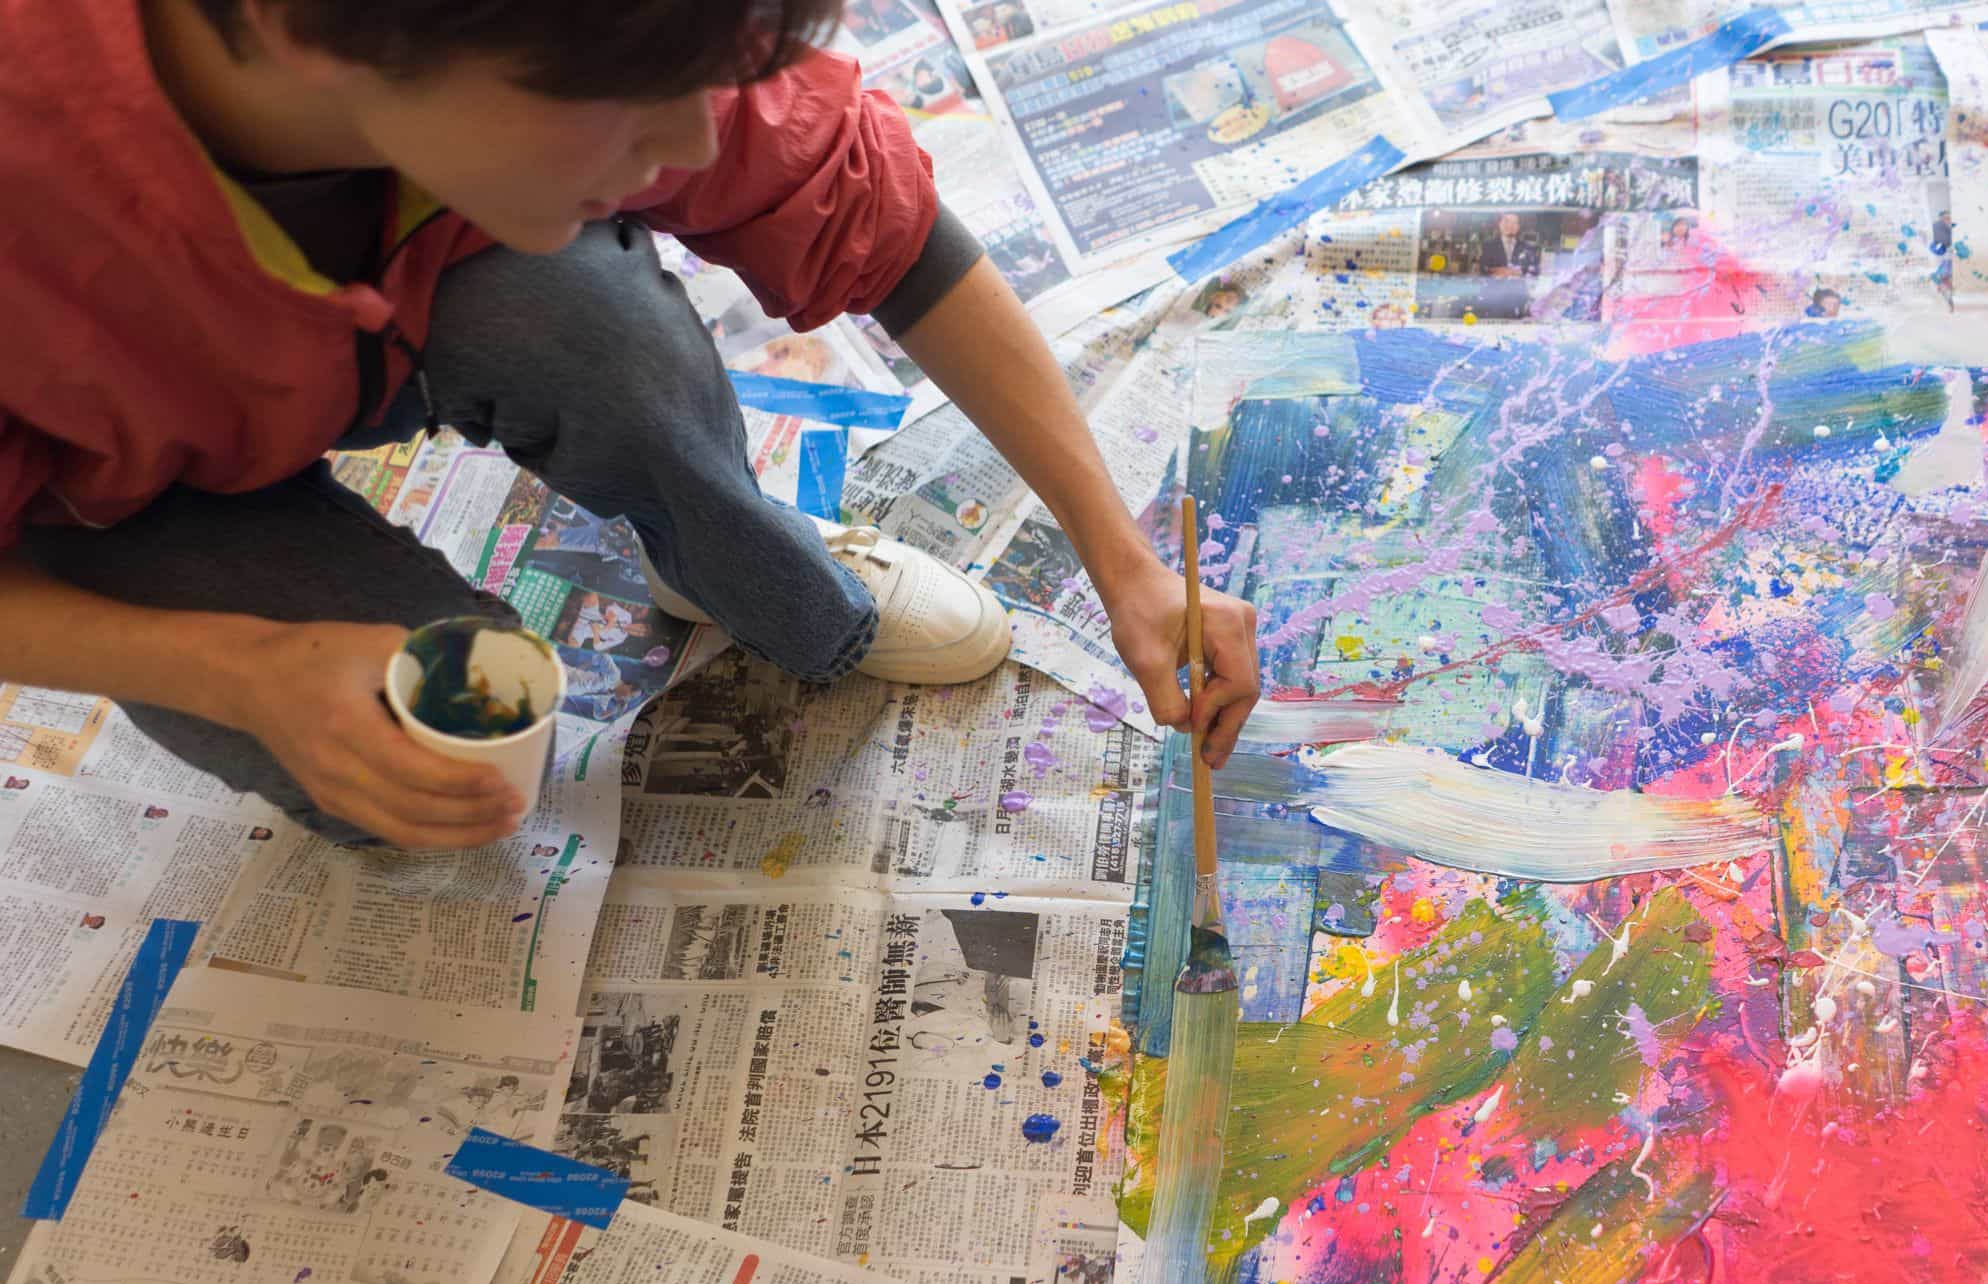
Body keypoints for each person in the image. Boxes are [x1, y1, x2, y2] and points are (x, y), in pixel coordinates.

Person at [1, 0, 1260, 852]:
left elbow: (875, 221)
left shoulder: (567, 36)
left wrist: (1124, 560)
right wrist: (243, 675)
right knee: (419, 749)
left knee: (597, 334)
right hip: (98, 485)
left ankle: (732, 561)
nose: (695, 141)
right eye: (636, 100)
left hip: (400, 304)